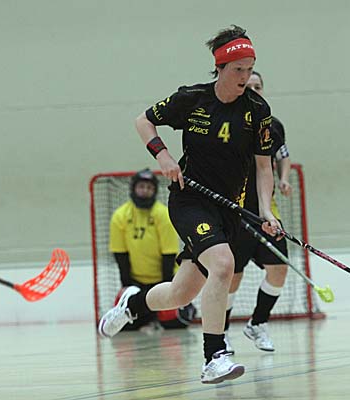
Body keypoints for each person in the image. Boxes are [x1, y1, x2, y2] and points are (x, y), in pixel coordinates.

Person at [98, 25, 280, 384]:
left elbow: (263, 166)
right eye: (237, 69)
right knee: (223, 265)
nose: (244, 77)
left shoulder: (258, 110)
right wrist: (163, 156)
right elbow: (144, 121)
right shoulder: (193, 99)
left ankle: (132, 304)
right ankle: (215, 356)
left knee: (181, 294)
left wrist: (265, 211)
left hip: (228, 210)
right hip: (190, 201)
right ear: (220, 68)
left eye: (249, 69)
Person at [223, 71, 292, 353]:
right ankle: (221, 332)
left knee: (279, 269)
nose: (253, 89)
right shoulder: (227, 122)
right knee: (232, 276)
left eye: (258, 86)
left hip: (266, 214)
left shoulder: (273, 125)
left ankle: (257, 323)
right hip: (234, 215)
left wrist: (284, 178)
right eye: (248, 85)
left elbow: (283, 156)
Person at [108, 168, 194, 331]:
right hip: (137, 282)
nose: (145, 191)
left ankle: (168, 312)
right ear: (133, 188)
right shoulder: (120, 216)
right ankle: (150, 316)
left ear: (154, 191)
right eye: (141, 187)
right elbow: (120, 254)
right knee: (123, 326)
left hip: (164, 278)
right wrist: (126, 286)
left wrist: (166, 290)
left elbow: (169, 255)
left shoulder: (163, 214)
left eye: (149, 188)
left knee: (173, 322)